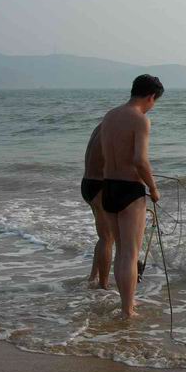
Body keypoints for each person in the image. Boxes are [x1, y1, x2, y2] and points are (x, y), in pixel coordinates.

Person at [100, 74, 164, 318]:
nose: (152, 106)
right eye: (155, 101)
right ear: (151, 97)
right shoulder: (140, 119)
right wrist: (153, 188)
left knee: (121, 251)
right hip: (129, 190)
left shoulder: (110, 116)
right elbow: (140, 160)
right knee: (130, 253)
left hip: (108, 186)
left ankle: (127, 303)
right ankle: (128, 310)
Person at [81, 123, 114, 289]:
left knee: (104, 237)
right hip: (99, 185)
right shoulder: (118, 125)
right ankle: (104, 285)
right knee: (107, 238)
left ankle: (93, 276)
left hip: (87, 183)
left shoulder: (102, 125)